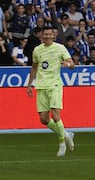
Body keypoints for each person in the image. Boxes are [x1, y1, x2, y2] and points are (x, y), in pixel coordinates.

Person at [27, 26, 75, 157]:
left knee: (55, 116)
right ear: (41, 36)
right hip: (41, 86)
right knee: (43, 119)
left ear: (53, 36)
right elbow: (34, 67)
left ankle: (62, 144)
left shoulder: (60, 48)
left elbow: (72, 64)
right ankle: (65, 134)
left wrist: (68, 65)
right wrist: (29, 84)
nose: (48, 36)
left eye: (50, 34)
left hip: (55, 85)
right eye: (45, 34)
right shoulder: (37, 50)